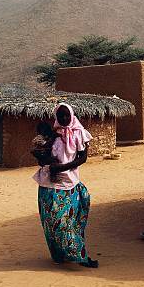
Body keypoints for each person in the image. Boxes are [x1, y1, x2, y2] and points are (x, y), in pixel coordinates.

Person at [32, 103, 99, 268]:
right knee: (51, 223)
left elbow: (82, 158)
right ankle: (59, 255)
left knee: (66, 223)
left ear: (71, 115)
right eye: (60, 116)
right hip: (48, 184)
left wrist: (61, 167)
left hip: (69, 184)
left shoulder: (79, 133)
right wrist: (46, 161)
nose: (63, 119)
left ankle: (79, 255)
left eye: (66, 115)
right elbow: (41, 158)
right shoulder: (51, 135)